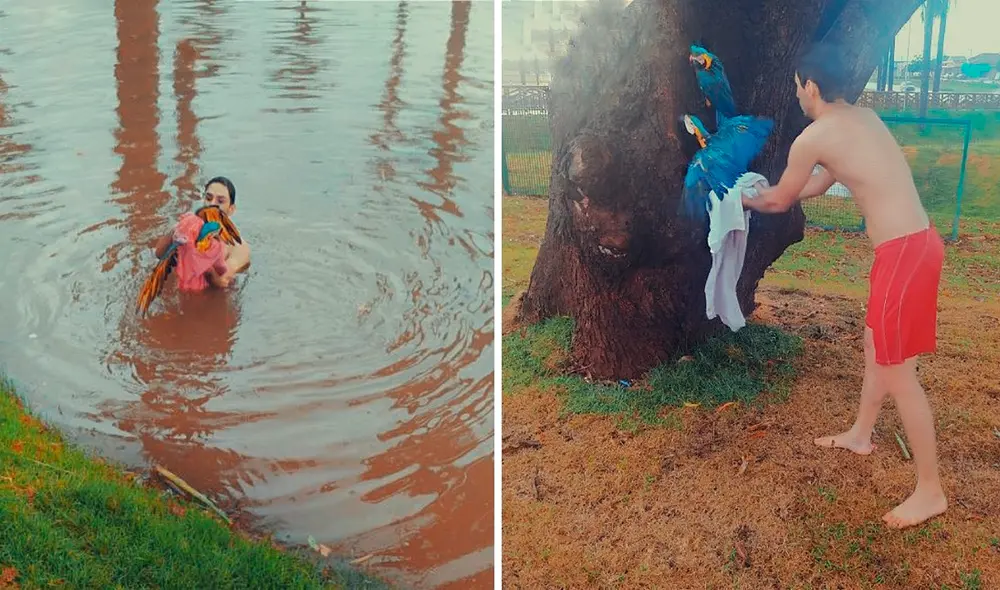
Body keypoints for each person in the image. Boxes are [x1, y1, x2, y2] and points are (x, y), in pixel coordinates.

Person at [741, 43, 947, 530]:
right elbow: (816, 184)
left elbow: (781, 201)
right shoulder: (862, 119)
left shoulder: (814, 136)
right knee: (876, 344)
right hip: (913, 247)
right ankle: (860, 433)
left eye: (797, 86)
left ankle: (930, 490)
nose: (796, 95)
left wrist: (742, 200)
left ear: (810, 86)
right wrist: (763, 194)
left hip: (904, 255)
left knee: (899, 374)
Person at [153, 176, 251, 289]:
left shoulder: (239, 247)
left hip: (212, 299)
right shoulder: (187, 228)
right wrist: (173, 234)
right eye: (208, 198)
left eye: (220, 201)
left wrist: (199, 257)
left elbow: (222, 282)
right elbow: (159, 254)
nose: (212, 204)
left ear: (231, 209)